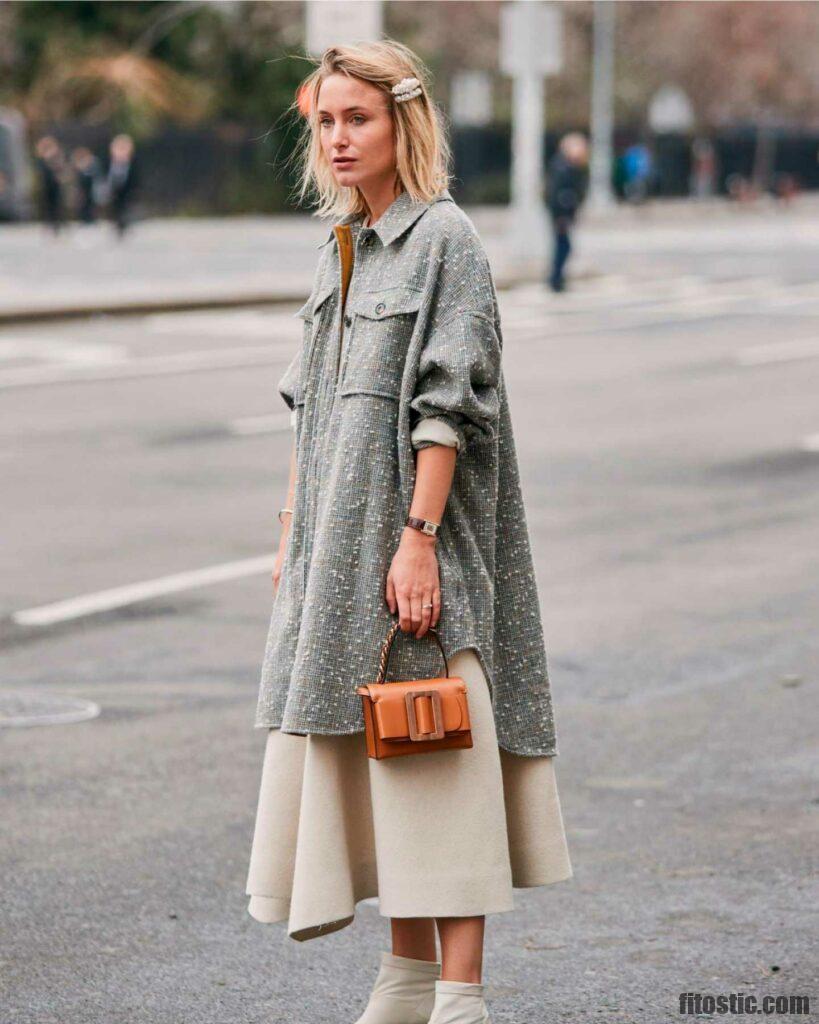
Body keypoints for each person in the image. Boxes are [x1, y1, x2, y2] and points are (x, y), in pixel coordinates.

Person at [246, 40, 572, 1024]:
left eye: (359, 118)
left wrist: (419, 536)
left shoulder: (445, 240)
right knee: (385, 759)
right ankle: (406, 979)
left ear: (404, 123)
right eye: (326, 122)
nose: (339, 139)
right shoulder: (341, 245)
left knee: (440, 758)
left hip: (416, 549)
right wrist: (292, 531)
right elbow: (310, 410)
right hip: (337, 556)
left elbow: (449, 409)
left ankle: (460, 995)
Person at [545, 132, 588, 293]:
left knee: (563, 246)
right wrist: (561, 215)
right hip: (560, 215)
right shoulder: (562, 167)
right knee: (563, 246)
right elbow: (557, 193)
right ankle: (555, 279)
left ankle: (557, 278)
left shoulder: (571, 167)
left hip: (564, 214)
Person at [106, 133, 138, 237]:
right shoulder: (108, 162)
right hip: (114, 191)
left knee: (125, 209)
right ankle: (117, 225)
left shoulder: (133, 163)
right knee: (115, 209)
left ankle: (124, 225)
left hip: (127, 192)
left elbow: (135, 179)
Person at [34, 135, 66, 235]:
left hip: (54, 184)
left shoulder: (56, 155)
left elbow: (60, 168)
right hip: (46, 184)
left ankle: (57, 225)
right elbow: (40, 170)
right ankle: (49, 224)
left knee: (56, 205)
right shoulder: (41, 157)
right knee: (47, 206)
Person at [71, 146, 102, 224]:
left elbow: (97, 178)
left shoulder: (94, 165)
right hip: (81, 194)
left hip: (92, 193)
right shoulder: (75, 168)